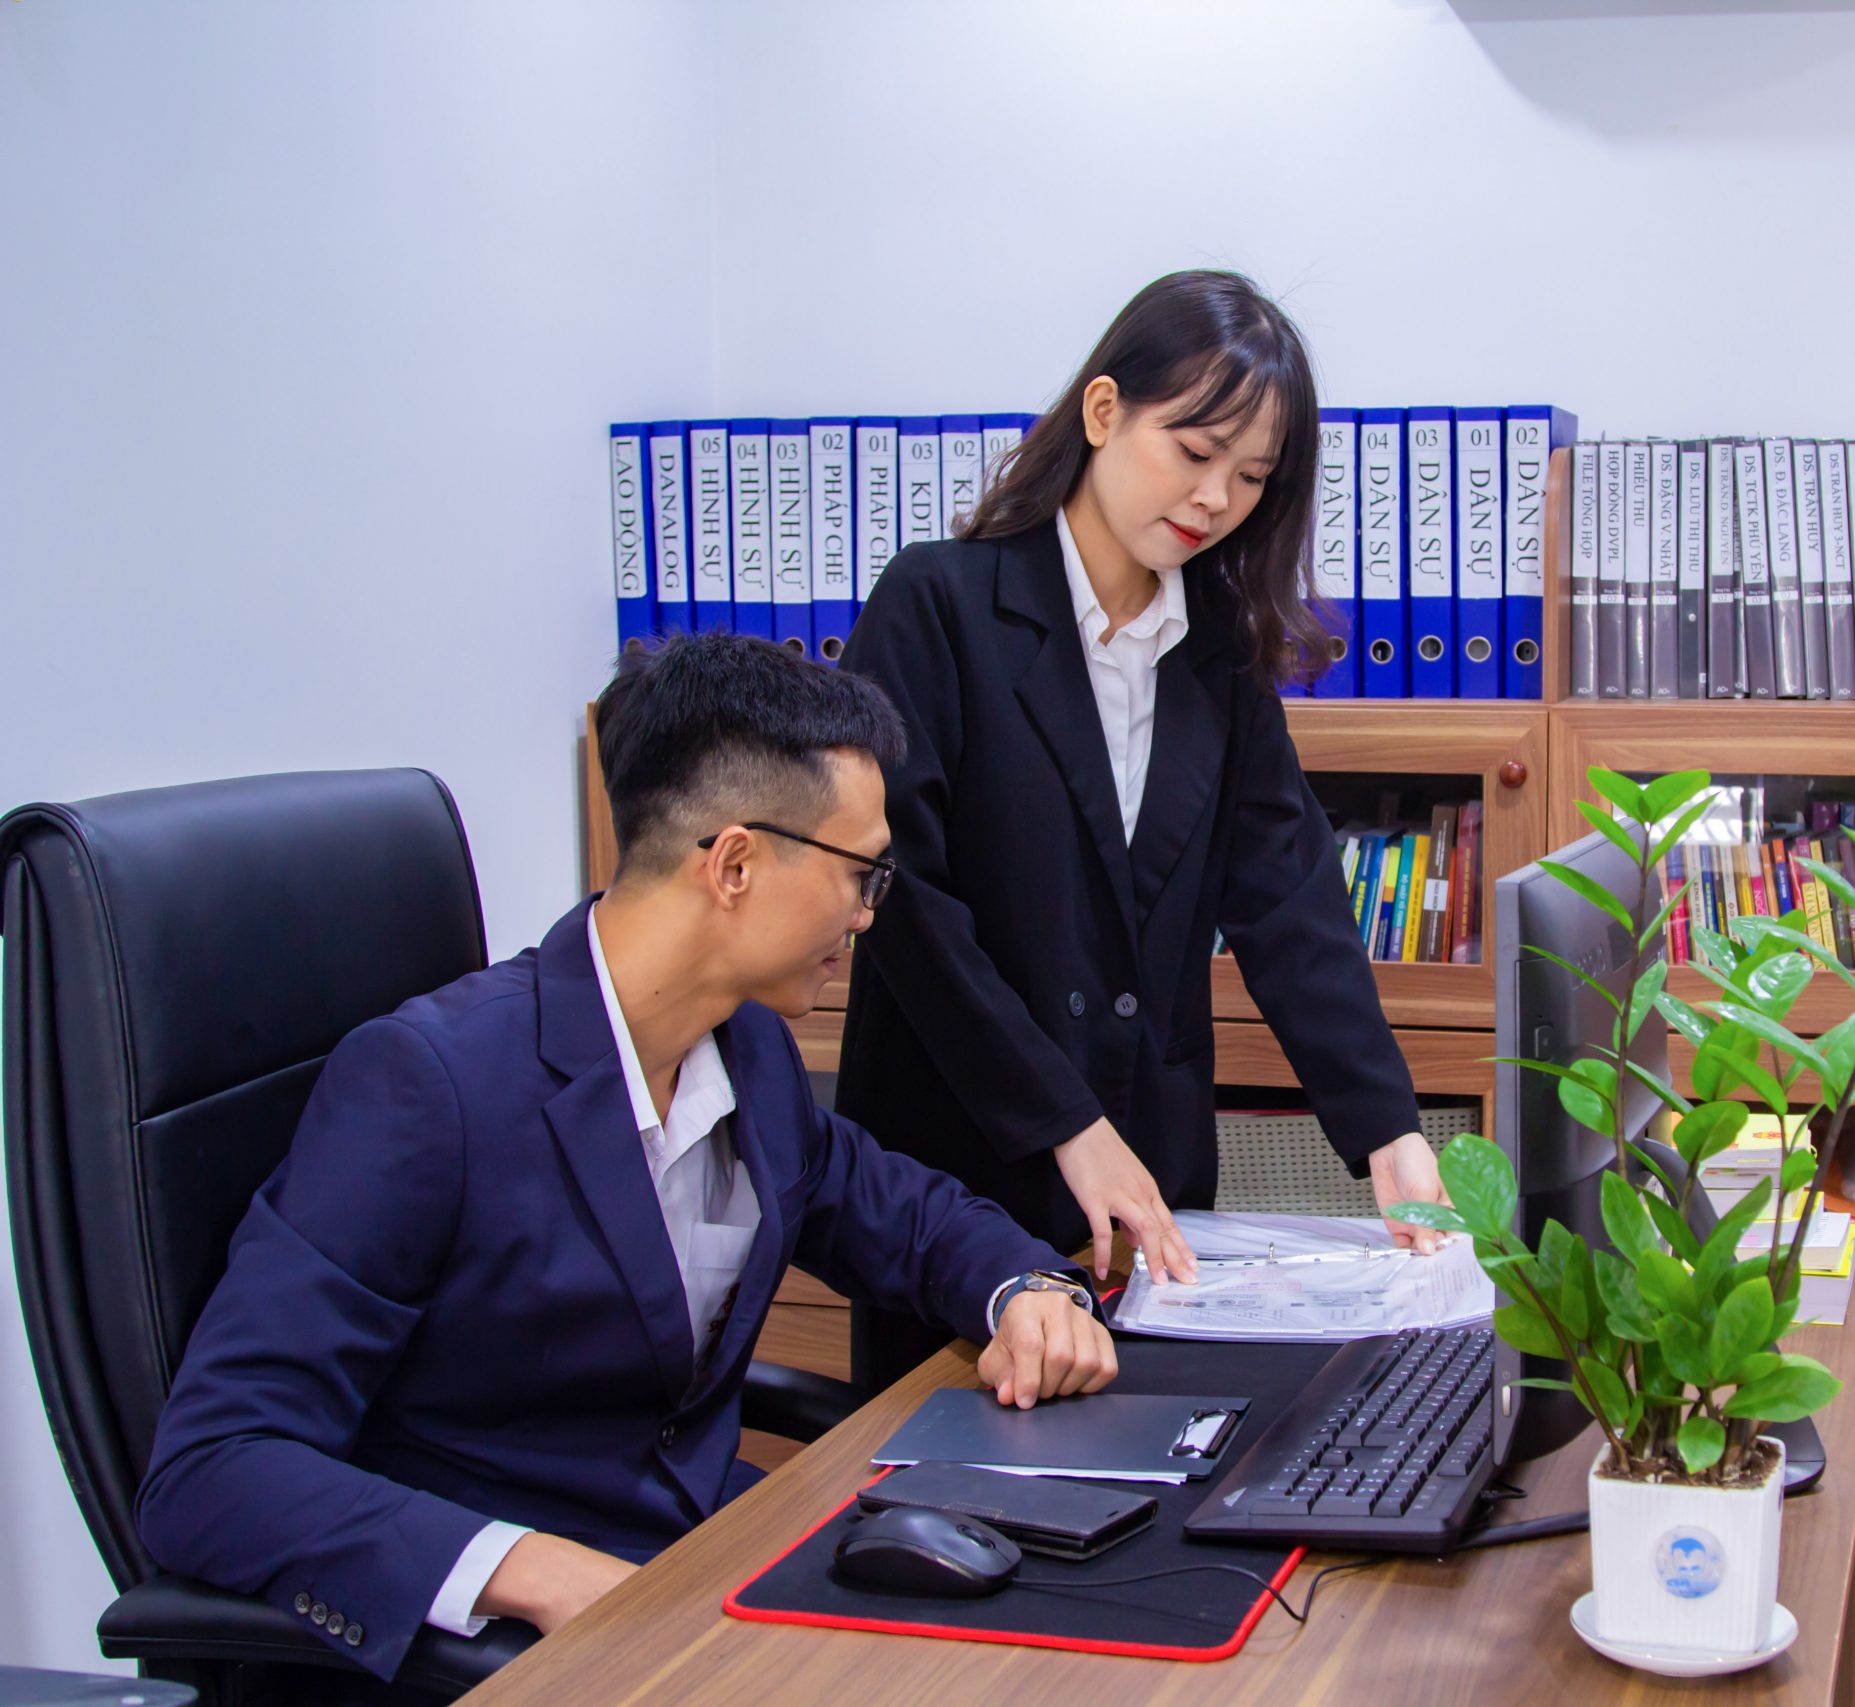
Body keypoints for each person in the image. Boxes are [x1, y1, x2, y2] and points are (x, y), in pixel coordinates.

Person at [136, 633, 1115, 1686]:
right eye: (860, 873)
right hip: (509, 1653)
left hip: (700, 1578)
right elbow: (212, 1467)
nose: (870, 913)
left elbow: (900, 1212)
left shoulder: (745, 1050)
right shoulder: (426, 1087)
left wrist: (1024, 1290)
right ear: (734, 864)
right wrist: (536, 1572)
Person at [837, 269, 1451, 1382]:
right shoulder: (939, 606)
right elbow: (907, 907)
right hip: (961, 1184)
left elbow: (1288, 900)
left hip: (1152, 1201)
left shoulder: (1216, 652)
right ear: (1104, 410)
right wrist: (1063, 1123)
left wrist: (1388, 1129)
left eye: (1252, 476)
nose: (1216, 497)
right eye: (1195, 450)